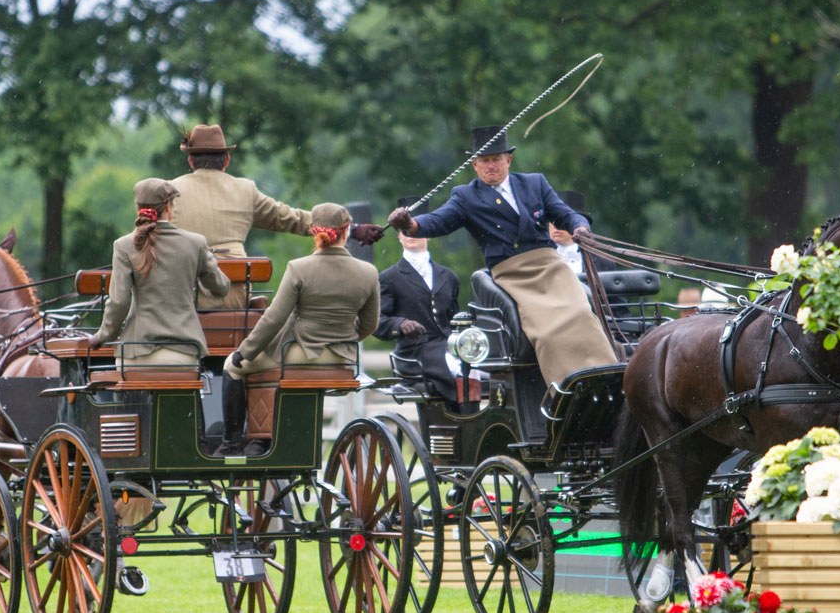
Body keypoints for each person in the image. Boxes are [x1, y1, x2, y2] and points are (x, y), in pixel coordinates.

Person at [389, 125, 615, 386]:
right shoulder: (466, 196)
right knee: (548, 332)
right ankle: (568, 389)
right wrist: (410, 224)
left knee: (581, 316)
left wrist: (580, 228)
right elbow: (437, 221)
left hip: (551, 266)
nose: (491, 166)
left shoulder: (534, 183)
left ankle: (605, 379)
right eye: (484, 161)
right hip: (512, 273)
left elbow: (564, 214)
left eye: (496, 159)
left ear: (509, 160)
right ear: (474, 165)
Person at [168, 123, 384, 309]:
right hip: (233, 299)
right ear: (226, 160)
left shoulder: (169, 191)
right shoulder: (245, 190)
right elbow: (291, 218)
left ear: (190, 161)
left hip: (185, 297)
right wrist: (352, 230)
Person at [226, 203, 380, 455]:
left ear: (313, 231)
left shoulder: (299, 268)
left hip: (301, 354)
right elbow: (370, 324)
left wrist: (244, 352)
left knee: (232, 367)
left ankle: (234, 443)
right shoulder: (368, 272)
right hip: (343, 359)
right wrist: (343, 338)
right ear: (345, 232)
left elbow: (274, 318)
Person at [86, 178, 232, 369]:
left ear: (138, 208)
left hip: (136, 353)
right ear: (170, 207)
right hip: (183, 352)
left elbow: (120, 301)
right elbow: (221, 287)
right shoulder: (195, 243)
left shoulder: (123, 246)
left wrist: (103, 336)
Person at [374, 196, 464, 408]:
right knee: (457, 369)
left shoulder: (449, 277)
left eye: (413, 228)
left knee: (480, 370)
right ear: (398, 237)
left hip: (449, 349)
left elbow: (456, 322)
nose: (409, 234)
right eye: (403, 230)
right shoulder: (389, 277)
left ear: (429, 234)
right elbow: (376, 323)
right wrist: (401, 324)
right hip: (414, 354)